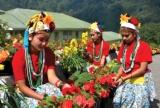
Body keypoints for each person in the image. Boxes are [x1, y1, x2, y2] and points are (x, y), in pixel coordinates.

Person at [12, 12, 70, 107]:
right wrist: (41, 98)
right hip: (27, 94)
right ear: (30, 36)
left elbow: (51, 77)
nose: (44, 43)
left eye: (46, 40)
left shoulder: (48, 53)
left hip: (44, 91)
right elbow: (22, 86)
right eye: (41, 39)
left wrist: (62, 85)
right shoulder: (20, 56)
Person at [113, 13, 156, 108]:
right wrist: (117, 76)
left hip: (139, 82)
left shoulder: (143, 46)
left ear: (134, 34)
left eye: (126, 36)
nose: (124, 38)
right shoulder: (123, 46)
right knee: (117, 102)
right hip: (125, 81)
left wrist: (124, 78)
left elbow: (142, 69)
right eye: (122, 36)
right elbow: (122, 65)